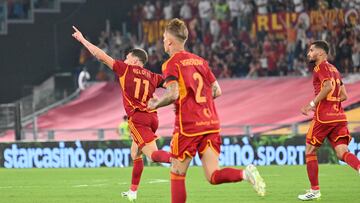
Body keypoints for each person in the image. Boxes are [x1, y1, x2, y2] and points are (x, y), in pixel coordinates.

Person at [147, 18, 266, 203]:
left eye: (163, 38)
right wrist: (198, 103)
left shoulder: (171, 64)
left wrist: (156, 104)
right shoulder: (200, 61)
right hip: (210, 123)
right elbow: (217, 90)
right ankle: (244, 174)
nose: (163, 41)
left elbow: (173, 94)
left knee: (177, 173)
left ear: (170, 41)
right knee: (212, 175)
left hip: (189, 127)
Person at [72, 26, 171, 202]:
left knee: (154, 156)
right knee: (135, 154)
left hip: (139, 118)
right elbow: (172, 87)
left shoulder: (125, 69)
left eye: (127, 57)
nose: (124, 59)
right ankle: (133, 192)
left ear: (134, 60)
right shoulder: (153, 76)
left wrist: (82, 40)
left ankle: (180, 157)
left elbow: (100, 55)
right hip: (152, 117)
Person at [299, 40, 360, 201]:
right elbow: (344, 95)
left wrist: (312, 104)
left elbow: (327, 87)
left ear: (320, 53)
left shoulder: (320, 68)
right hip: (339, 116)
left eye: (311, 50)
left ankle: (315, 190)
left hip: (323, 117)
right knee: (342, 153)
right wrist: (333, 104)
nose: (308, 53)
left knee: (310, 151)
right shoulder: (335, 69)